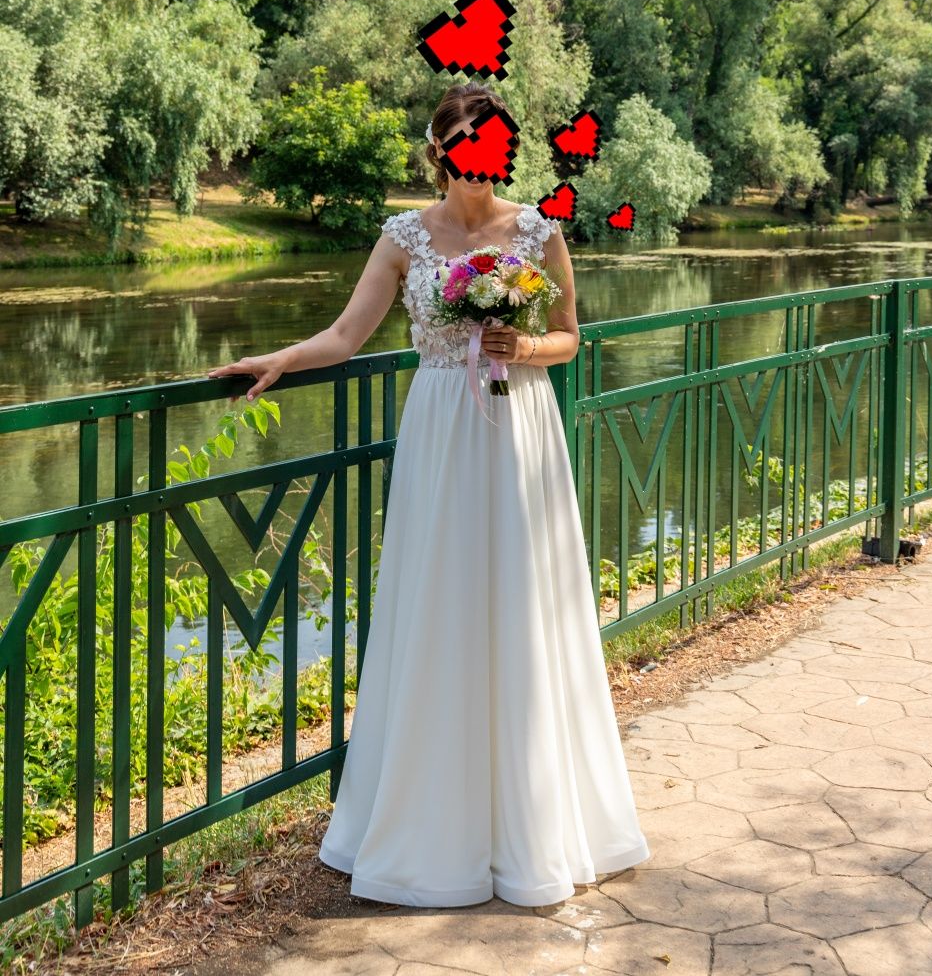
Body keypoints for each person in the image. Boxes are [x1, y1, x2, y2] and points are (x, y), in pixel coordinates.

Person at [207, 79, 650, 908]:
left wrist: (524, 343)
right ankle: (432, 824)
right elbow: (346, 333)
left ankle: (535, 822)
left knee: (523, 605)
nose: (484, 160)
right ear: (442, 152)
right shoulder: (404, 236)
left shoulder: (538, 228)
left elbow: (571, 340)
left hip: (520, 432)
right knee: (440, 605)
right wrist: (279, 359)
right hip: (442, 434)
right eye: (469, 145)